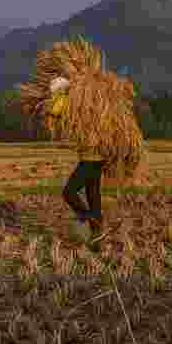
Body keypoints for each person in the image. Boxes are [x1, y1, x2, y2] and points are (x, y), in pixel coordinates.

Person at [48, 76, 106, 240]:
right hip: (97, 156)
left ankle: (90, 219)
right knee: (92, 193)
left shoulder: (71, 101)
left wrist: (59, 98)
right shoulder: (85, 103)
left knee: (69, 192)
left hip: (91, 158)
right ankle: (96, 233)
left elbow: (55, 111)